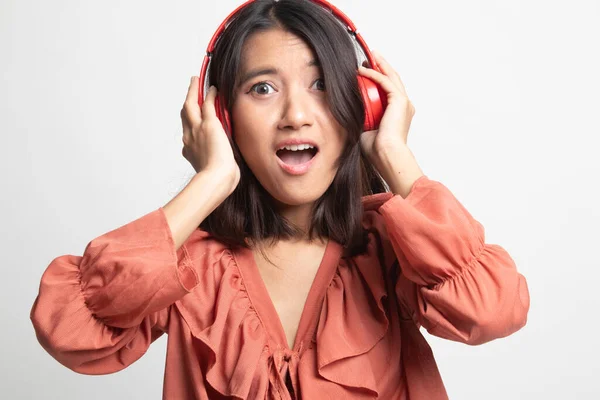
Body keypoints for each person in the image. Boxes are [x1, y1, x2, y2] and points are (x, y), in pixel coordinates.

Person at [30, 0, 530, 399]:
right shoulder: (187, 266)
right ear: (222, 119)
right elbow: (71, 328)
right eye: (263, 88)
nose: (295, 114)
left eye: (320, 85)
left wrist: (393, 153)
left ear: (361, 106)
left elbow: (491, 310)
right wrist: (209, 181)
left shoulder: (395, 250)